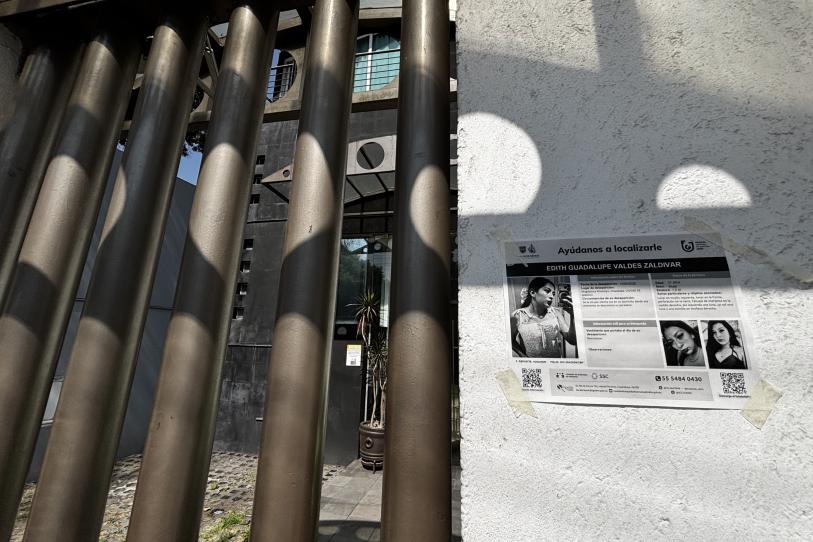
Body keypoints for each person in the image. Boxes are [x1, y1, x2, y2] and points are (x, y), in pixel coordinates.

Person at [510, 277, 576, 357]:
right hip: (533, 363)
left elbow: (572, 340)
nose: (552, 296)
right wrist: (523, 356)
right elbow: (510, 340)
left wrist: (573, 315)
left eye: (553, 293)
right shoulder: (518, 315)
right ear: (533, 293)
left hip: (555, 362)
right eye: (547, 291)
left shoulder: (555, 313)